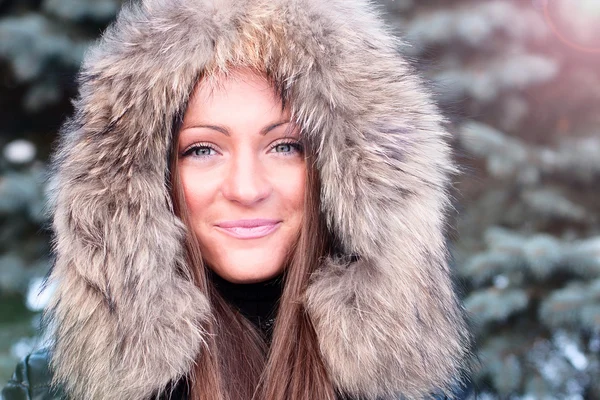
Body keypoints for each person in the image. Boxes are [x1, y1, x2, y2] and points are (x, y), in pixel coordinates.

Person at [1, 0, 474, 399]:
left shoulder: (403, 390)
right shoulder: (47, 389)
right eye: (202, 149)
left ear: (343, 172)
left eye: (285, 146)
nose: (247, 189)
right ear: (140, 184)